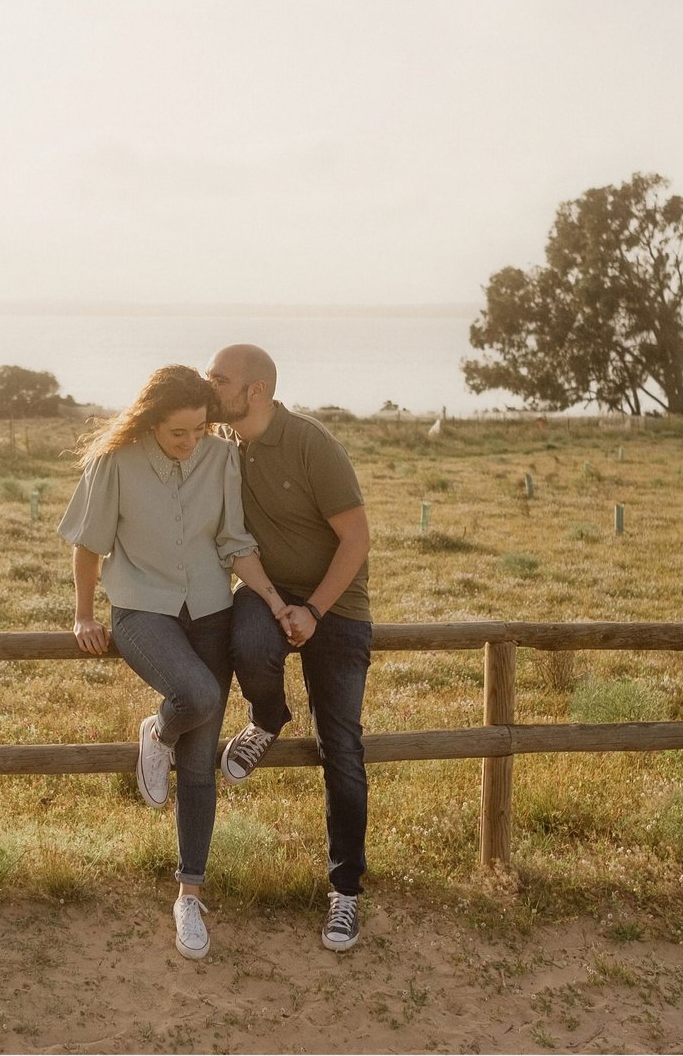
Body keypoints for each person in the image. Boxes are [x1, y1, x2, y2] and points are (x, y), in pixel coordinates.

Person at [59, 364, 292, 961]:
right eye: (177, 434)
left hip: (211, 610)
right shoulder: (115, 460)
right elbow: (89, 546)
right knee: (201, 697)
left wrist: (273, 600)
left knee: (199, 763)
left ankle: (189, 895)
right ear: (150, 420)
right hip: (142, 611)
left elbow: (235, 542)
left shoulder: (220, 458)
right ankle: (156, 729)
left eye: (198, 430)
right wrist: (85, 616)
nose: (191, 444)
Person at [205, 344, 374, 952]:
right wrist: (280, 604)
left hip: (337, 604)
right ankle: (268, 719)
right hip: (268, 592)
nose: (208, 385)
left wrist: (315, 611)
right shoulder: (222, 447)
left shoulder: (311, 443)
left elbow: (357, 539)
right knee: (247, 640)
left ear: (255, 390)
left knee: (342, 746)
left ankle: (345, 894)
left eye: (218, 378)